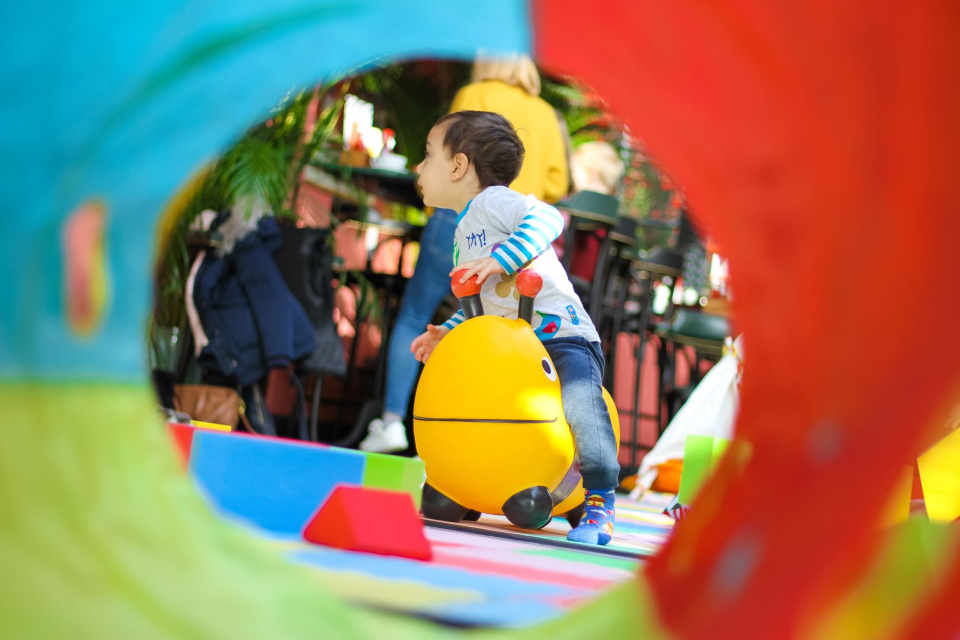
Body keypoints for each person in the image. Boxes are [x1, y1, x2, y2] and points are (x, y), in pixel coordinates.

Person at [410, 110, 619, 546]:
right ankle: (471, 482)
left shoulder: (493, 201)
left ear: (458, 166)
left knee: (581, 404)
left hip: (562, 337)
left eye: (428, 155)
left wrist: (501, 259)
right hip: (515, 352)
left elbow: (548, 219)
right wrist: (448, 330)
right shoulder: (463, 232)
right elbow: (488, 304)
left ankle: (600, 500)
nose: (418, 166)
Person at [360, 55, 569, 453]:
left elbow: (447, 161)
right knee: (499, 330)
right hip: (519, 232)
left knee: (416, 316)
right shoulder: (545, 114)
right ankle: (491, 432)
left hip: (459, 221)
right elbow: (557, 184)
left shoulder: (476, 95)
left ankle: (391, 422)